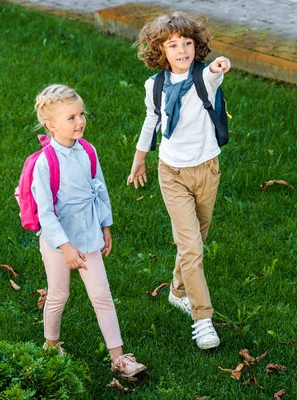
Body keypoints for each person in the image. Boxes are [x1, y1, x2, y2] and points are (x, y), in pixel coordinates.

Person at [127, 12, 231, 350]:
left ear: (195, 45)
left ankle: (177, 291)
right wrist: (140, 159)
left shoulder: (204, 77)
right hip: (171, 172)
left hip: (207, 169)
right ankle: (203, 319)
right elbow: (151, 119)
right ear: (160, 50)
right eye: (173, 45)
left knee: (195, 240)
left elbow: (216, 72)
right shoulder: (154, 86)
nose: (182, 50)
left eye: (187, 43)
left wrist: (220, 66)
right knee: (191, 248)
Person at [32, 84, 146, 377]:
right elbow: (46, 213)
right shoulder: (45, 163)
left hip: (88, 233)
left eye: (81, 114)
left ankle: (119, 358)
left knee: (102, 294)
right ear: (51, 124)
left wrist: (105, 225)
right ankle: (51, 345)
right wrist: (65, 247)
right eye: (71, 118)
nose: (80, 121)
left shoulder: (88, 150)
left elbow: (100, 189)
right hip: (59, 241)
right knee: (59, 293)